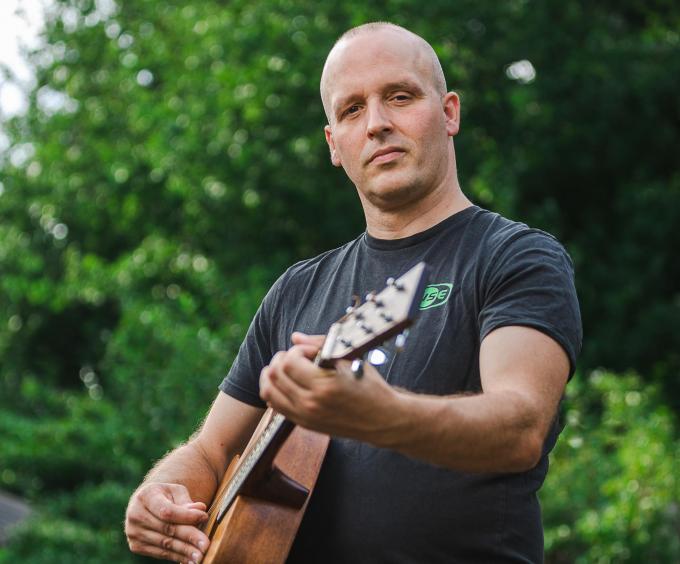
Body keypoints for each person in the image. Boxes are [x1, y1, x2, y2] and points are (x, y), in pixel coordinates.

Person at [125, 22, 581, 563]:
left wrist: (381, 414)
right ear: (333, 144)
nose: (377, 124)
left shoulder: (514, 256)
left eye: (400, 96)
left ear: (449, 112)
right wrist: (163, 492)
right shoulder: (297, 290)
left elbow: (521, 427)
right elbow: (213, 449)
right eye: (352, 110)